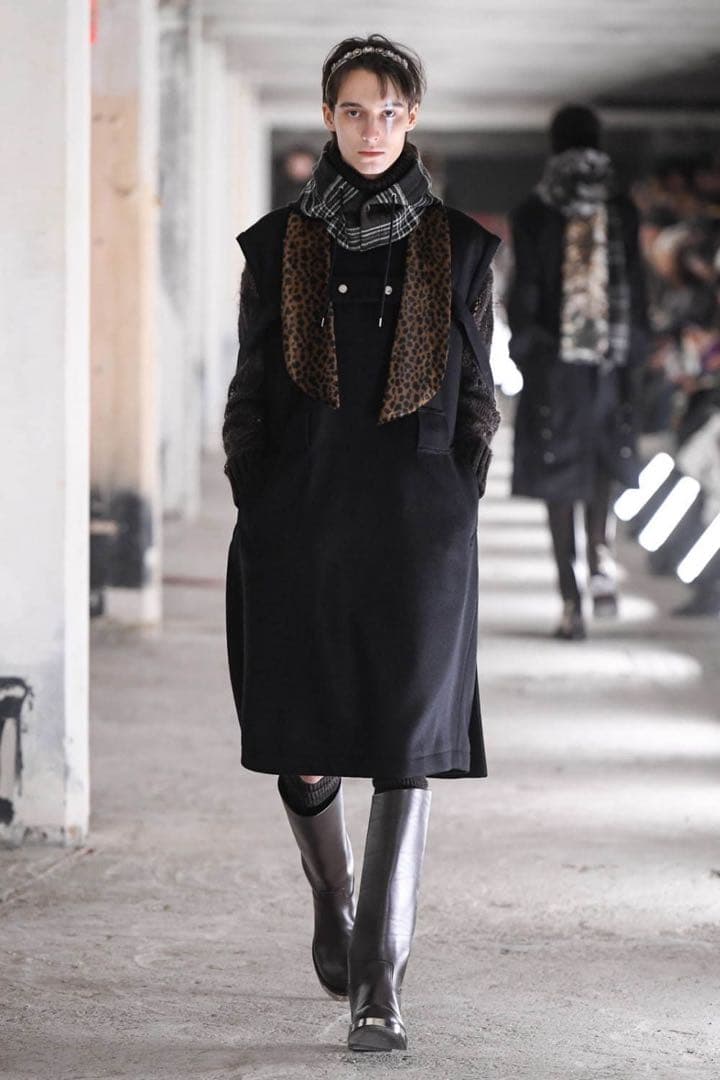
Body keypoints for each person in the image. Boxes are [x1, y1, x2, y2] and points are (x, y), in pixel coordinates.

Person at [222, 34, 501, 1052]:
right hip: (302, 522)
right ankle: (332, 896)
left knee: (403, 744)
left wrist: (454, 501)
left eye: (388, 111)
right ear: (327, 116)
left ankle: (379, 987)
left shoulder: (461, 248)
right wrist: (261, 497)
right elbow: (250, 394)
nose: (372, 129)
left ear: (412, 116)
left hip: (418, 530)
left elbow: (479, 400)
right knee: (304, 746)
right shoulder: (277, 245)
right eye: (353, 111)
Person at [507, 105, 648, 640]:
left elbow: (525, 290)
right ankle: (601, 557)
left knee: (557, 479)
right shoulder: (622, 207)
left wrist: (530, 347)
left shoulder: (535, 210)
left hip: (556, 367)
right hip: (610, 365)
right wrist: (633, 350)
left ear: (554, 146)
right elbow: (637, 288)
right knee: (602, 464)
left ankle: (571, 600)